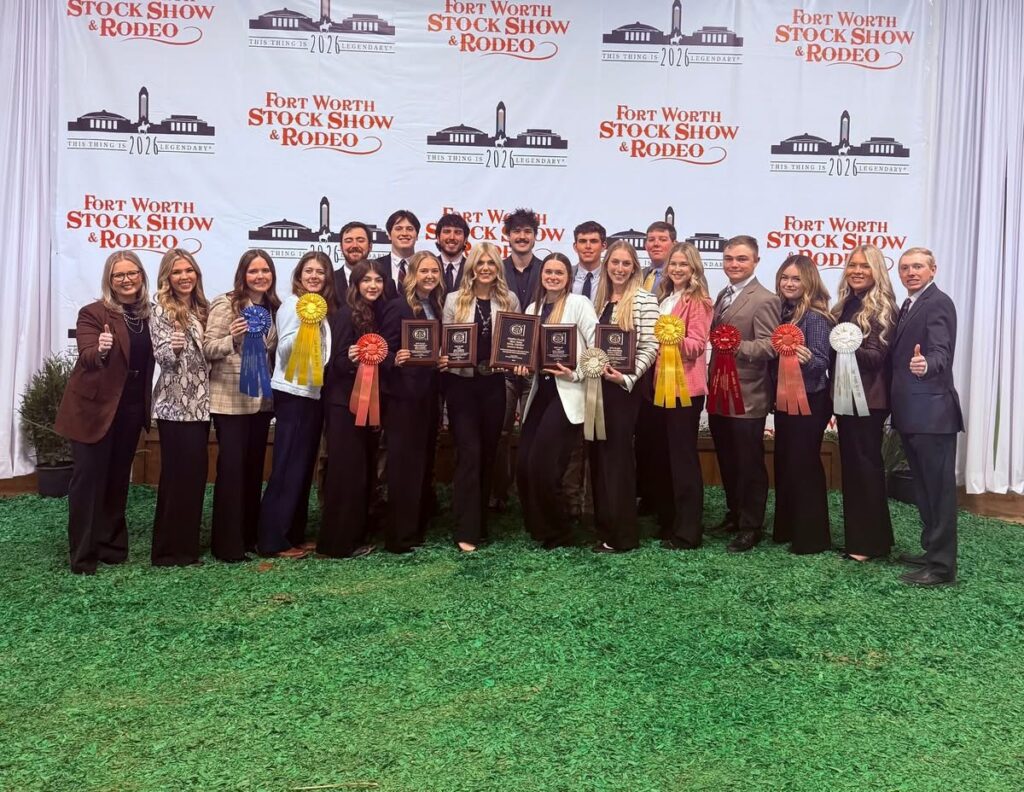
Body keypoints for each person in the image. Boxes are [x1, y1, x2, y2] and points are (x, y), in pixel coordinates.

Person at [55, 250, 155, 574]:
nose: (126, 280)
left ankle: (111, 546)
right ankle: (83, 556)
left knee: (116, 480)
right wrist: (98, 349)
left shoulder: (149, 315)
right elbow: (86, 355)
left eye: (132, 273)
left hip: (129, 407)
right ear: (109, 281)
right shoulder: (94, 313)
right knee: (88, 482)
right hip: (93, 408)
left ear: (141, 276)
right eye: (118, 275)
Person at [890, 247, 963, 586]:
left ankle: (942, 568)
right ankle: (931, 550)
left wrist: (926, 365)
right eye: (905, 267)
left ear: (933, 269)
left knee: (939, 491)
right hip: (913, 413)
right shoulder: (910, 304)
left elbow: (940, 352)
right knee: (924, 489)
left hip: (933, 414)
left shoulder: (938, 302)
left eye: (918, 266)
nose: (911, 272)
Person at [440, 242, 520, 552]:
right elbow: (449, 342)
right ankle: (465, 529)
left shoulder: (508, 299)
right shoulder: (454, 300)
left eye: (491, 263)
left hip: (494, 385)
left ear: (497, 268)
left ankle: (480, 524)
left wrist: (516, 359)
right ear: (471, 267)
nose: (485, 267)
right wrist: (445, 356)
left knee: (488, 454)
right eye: (479, 262)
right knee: (469, 454)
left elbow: (515, 341)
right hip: (462, 386)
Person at [516, 253, 598, 549]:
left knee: (544, 465)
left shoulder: (580, 304)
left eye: (559, 272)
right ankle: (537, 526)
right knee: (524, 462)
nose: (552, 276)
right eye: (548, 271)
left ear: (568, 277)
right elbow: (526, 352)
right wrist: (521, 364)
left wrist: (575, 373)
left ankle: (559, 532)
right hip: (541, 391)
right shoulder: (532, 307)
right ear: (541, 275)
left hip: (568, 393)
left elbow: (597, 349)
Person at [257, 251, 335, 559]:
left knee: (302, 468)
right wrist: (307, 324)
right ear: (299, 276)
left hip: (312, 394)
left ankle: (293, 533)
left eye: (321, 272)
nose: (315, 276)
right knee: (287, 467)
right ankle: (272, 539)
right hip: (293, 394)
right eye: (309, 271)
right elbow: (285, 348)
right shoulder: (295, 305)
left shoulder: (320, 307)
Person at [203, 249, 280, 563]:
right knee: (232, 472)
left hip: (261, 402)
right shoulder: (227, 303)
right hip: (230, 401)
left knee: (252, 471)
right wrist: (232, 341)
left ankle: (249, 537)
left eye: (265, 271)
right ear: (243, 274)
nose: (260, 276)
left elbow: (271, 349)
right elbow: (208, 347)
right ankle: (227, 545)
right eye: (253, 271)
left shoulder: (273, 307)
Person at [708, 235, 781, 552]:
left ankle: (751, 526)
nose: (733, 264)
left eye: (741, 259)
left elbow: (770, 345)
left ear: (756, 261)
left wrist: (738, 346)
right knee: (727, 458)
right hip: (720, 391)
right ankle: (734, 513)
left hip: (747, 394)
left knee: (749, 462)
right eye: (728, 259)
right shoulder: (723, 294)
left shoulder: (764, 299)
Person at [319, 258, 391, 558]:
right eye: (366, 280)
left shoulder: (377, 315)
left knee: (361, 473)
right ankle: (336, 544)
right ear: (355, 284)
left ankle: (353, 538)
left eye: (377, 280)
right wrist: (348, 359)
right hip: (343, 405)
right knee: (345, 474)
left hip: (368, 406)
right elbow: (330, 364)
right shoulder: (345, 315)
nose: (373, 285)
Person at [588, 241, 658, 552]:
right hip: (596, 388)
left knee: (617, 459)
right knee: (599, 457)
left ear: (634, 268)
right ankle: (605, 526)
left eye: (625, 264)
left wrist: (627, 377)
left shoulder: (645, 300)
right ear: (606, 266)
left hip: (622, 391)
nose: (619, 268)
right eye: (614, 262)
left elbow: (651, 347)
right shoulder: (598, 299)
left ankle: (623, 535)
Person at [830, 244, 898, 562]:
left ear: (877, 271)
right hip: (847, 397)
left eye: (865, 266)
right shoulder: (846, 304)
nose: (857, 270)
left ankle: (868, 544)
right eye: (852, 265)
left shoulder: (882, 308)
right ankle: (871, 539)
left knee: (866, 469)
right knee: (855, 470)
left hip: (869, 400)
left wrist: (849, 342)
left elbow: (875, 358)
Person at [149, 248, 211, 567]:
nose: (184, 276)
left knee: (195, 476)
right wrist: (171, 350)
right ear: (167, 278)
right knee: (176, 478)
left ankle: (187, 549)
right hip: (175, 406)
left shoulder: (203, 307)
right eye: (177, 272)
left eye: (189, 270)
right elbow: (163, 359)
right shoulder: (161, 309)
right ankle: (165, 552)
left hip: (201, 406)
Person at [380, 251, 444, 553]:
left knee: (421, 464)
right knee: (403, 466)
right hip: (404, 399)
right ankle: (398, 535)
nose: (429, 276)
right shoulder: (398, 306)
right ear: (412, 274)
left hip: (430, 396)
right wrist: (396, 358)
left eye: (434, 271)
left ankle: (415, 528)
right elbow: (382, 351)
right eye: (424, 271)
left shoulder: (436, 306)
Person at [770, 255, 834, 555]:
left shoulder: (815, 317)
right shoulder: (782, 312)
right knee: (785, 462)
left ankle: (812, 537)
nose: (789, 283)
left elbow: (823, 361)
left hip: (809, 401)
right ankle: (786, 528)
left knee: (804, 464)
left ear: (808, 281)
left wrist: (805, 359)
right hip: (785, 400)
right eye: (785, 278)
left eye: (795, 278)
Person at [651, 242, 714, 550]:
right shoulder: (664, 297)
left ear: (694, 269)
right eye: (673, 264)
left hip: (685, 389)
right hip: (660, 386)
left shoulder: (698, 301)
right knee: (666, 458)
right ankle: (670, 521)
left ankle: (689, 531)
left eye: (683, 265)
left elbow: (697, 345)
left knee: (684, 459)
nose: (676, 269)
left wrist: (671, 338)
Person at [494, 208, 543, 511]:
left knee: (533, 433)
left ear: (536, 236)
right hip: (503, 368)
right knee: (499, 433)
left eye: (528, 231)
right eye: (517, 231)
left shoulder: (547, 269)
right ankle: (497, 495)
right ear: (507, 236)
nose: (522, 236)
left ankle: (529, 494)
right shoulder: (495, 268)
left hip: (537, 367)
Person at [636, 220, 678, 512]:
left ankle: (665, 501)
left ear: (673, 243)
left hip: (668, 369)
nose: (655, 244)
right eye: (650, 239)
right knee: (645, 434)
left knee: (664, 438)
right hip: (640, 366)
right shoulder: (642, 275)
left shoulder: (675, 280)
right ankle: (647, 496)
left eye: (661, 239)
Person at [334, 221, 380, 305]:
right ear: (341, 247)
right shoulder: (330, 281)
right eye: (348, 241)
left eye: (360, 240)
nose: (354, 245)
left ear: (370, 246)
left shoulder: (386, 283)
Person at [375, 209, 420, 294]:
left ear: (417, 235)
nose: (404, 233)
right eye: (398, 229)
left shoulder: (426, 266)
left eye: (410, 229)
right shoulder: (375, 267)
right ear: (389, 235)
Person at [571, 220, 606, 304]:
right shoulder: (565, 275)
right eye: (582, 241)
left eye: (593, 241)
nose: (588, 246)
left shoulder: (612, 277)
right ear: (575, 247)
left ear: (603, 246)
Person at [435, 212, 470, 294]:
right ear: (438, 237)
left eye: (457, 232)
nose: (452, 237)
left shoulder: (473, 269)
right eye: (447, 231)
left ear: (465, 239)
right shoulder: (428, 267)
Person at [641, 221, 676, 292]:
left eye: (663, 240)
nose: (656, 244)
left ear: (674, 245)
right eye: (651, 240)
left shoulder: (685, 276)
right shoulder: (637, 276)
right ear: (645, 245)